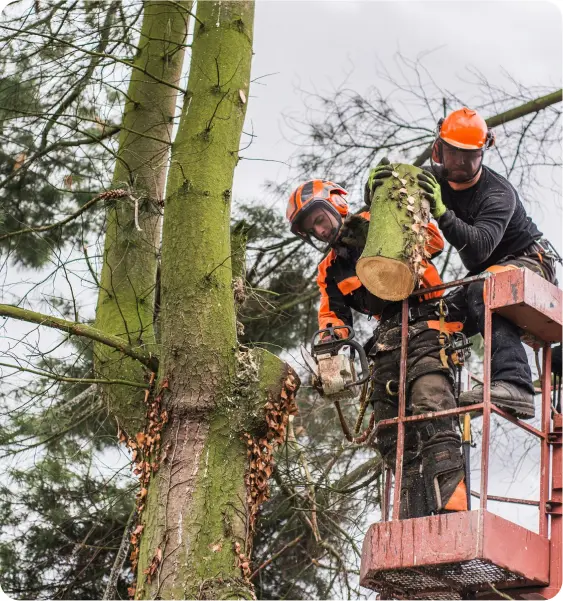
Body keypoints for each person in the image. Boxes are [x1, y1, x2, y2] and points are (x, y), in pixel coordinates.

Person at [286, 179, 467, 518]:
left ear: (337, 206)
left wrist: (394, 226)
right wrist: (329, 344)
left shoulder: (377, 219)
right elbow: (333, 315)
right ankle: (411, 520)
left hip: (427, 319)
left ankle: (453, 511)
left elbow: (434, 241)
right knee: (390, 432)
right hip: (385, 337)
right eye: (313, 228)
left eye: (321, 219)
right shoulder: (329, 269)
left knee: (431, 403)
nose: (321, 229)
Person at [411, 107, 558, 419]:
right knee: (429, 312)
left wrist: (442, 212)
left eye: (470, 156)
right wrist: (379, 187)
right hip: (488, 274)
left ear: (483, 153)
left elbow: (477, 250)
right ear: (439, 149)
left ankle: (514, 383)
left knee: (485, 287)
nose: (461, 164)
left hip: (531, 262)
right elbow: (401, 187)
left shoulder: (497, 193)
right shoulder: (435, 180)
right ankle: (435, 395)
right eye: (454, 155)